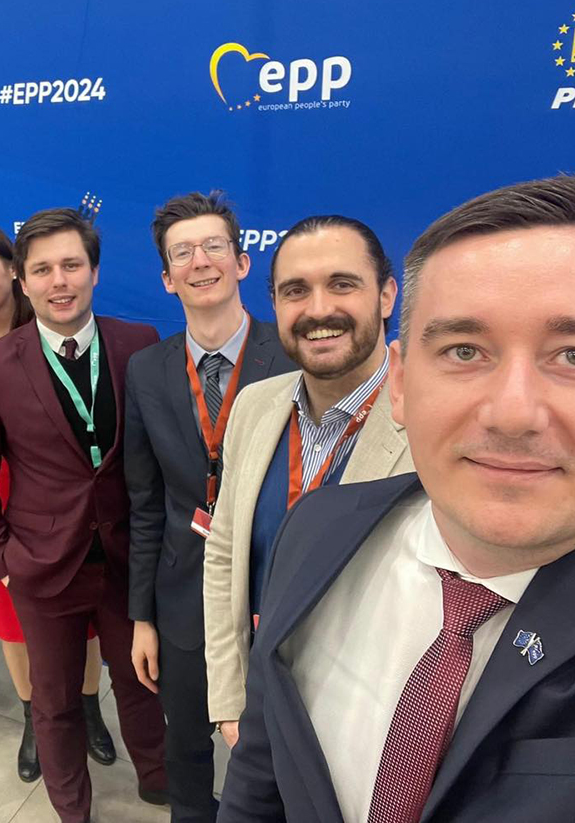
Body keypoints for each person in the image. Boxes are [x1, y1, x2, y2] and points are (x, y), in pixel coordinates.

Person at [218, 174, 575, 822]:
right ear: (402, 383)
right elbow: (260, 784)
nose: (512, 412)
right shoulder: (317, 529)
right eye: (465, 350)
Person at [0, 208, 168, 823]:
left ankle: (159, 783)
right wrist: (3, 560)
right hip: (43, 566)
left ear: (94, 272)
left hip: (129, 559)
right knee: (54, 702)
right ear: (22, 281)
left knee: (142, 684)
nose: (59, 281)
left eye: (72, 265)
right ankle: (73, 809)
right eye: (43, 269)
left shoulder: (138, 343)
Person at [203, 215, 414, 749]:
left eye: (342, 284)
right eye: (295, 291)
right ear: (275, 305)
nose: (318, 309)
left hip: (369, 734)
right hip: (256, 710)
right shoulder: (254, 406)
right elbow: (224, 552)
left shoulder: (433, 426)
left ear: (387, 296)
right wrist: (229, 701)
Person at [125, 191, 295, 822]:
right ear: (167, 279)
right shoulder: (146, 370)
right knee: (188, 744)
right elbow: (144, 502)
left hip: (276, 587)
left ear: (242, 262)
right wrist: (141, 617)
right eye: (182, 253)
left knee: (281, 751)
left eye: (213, 246)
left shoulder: (294, 355)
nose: (200, 261)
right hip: (182, 593)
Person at [0, 223, 116, 783]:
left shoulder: (55, 327)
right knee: (12, 625)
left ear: (13, 272)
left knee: (82, 622)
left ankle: (87, 706)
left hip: (66, 510)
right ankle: (38, 717)